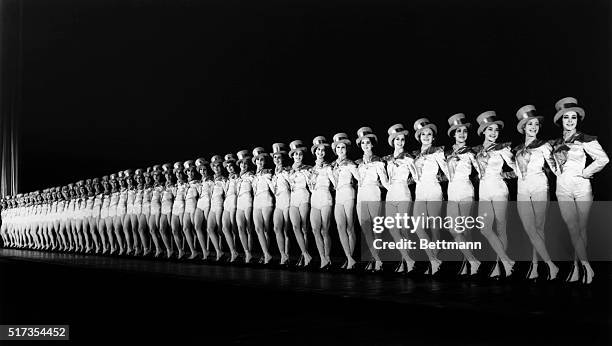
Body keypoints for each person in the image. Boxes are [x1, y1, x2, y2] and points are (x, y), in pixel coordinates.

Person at [551, 97, 609, 284]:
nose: (570, 121)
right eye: (566, 118)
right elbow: (553, 166)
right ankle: (587, 268)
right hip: (562, 189)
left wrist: (585, 173)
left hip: (582, 188)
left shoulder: (585, 139)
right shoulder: (555, 143)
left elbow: (603, 159)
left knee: (581, 229)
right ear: (560, 120)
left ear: (577, 120)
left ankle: (577, 269)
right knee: (572, 228)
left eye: (573, 118)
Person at [513, 105, 559, 281]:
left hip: (540, 188)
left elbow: (555, 167)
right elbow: (517, 172)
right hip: (522, 190)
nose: (533, 127)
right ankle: (550, 265)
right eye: (529, 124)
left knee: (538, 229)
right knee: (530, 229)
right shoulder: (516, 149)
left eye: (536, 124)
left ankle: (535, 266)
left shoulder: (544, 145)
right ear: (523, 127)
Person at [474, 111, 519, 279]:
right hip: (484, 191)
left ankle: (501, 267)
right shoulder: (476, 151)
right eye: (489, 129)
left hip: (499, 190)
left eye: (496, 130)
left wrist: (506, 176)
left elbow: (516, 167)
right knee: (484, 228)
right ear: (483, 131)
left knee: (501, 227)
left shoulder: (503, 148)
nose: (493, 133)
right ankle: (507, 261)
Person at [445, 114, 481, 277]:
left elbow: (480, 171)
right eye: (458, 131)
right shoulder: (445, 153)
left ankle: (469, 265)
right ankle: (472, 260)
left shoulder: (471, 152)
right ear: (453, 133)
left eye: (464, 131)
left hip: (466, 190)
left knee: (466, 230)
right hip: (452, 192)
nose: (461, 134)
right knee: (454, 229)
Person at [355, 127, 389, 272]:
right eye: (363, 143)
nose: (365, 146)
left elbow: (385, 182)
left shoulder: (378, 161)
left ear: (372, 144)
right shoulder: (358, 163)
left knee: (376, 229)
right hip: (361, 196)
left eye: (368, 143)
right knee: (366, 230)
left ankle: (379, 260)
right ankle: (374, 258)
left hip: (374, 194)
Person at [331, 133, 359, 270]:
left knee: (350, 227)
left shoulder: (351, 164)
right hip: (338, 196)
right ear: (335, 150)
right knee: (340, 227)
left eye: (343, 147)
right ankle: (349, 258)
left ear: (346, 149)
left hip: (348, 193)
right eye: (338, 148)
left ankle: (350, 259)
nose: (341, 150)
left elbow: (360, 179)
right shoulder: (332, 165)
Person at [309, 136, 337, 269]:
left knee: (325, 230)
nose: (320, 153)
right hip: (314, 199)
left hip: (326, 197)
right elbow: (310, 188)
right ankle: (323, 258)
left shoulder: (329, 167)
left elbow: (335, 184)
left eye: (323, 150)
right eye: (318, 150)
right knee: (315, 229)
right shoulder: (311, 170)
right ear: (315, 152)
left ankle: (328, 257)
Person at [288, 140, 314, 267]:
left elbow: (312, 184)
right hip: (293, 199)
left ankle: (304, 256)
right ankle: (305, 254)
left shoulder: (308, 169)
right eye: (295, 154)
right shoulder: (287, 170)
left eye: (300, 154)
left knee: (304, 228)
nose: (298, 156)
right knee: (295, 227)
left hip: (304, 196)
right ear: (292, 155)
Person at [251, 147, 275, 264]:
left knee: (266, 229)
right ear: (254, 162)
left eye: (262, 160)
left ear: (264, 161)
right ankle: (266, 254)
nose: (260, 162)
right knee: (258, 228)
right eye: (257, 160)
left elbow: (273, 188)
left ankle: (266, 255)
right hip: (256, 202)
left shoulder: (268, 172)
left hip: (266, 200)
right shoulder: (253, 176)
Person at [271, 143, 292, 266]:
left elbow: (292, 184)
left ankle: (287, 256)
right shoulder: (274, 172)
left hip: (287, 200)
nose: (277, 160)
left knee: (286, 230)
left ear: (283, 158)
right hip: (278, 202)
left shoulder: (287, 170)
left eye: (279, 157)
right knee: (276, 228)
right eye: (275, 157)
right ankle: (283, 255)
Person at [235, 151, 256, 263]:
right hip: (239, 203)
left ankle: (250, 253)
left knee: (249, 228)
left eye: (245, 163)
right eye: (241, 163)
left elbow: (256, 189)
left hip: (248, 201)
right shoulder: (237, 177)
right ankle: (246, 252)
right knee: (240, 228)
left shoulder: (252, 176)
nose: (243, 165)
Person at [221, 154, 240, 262]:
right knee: (224, 228)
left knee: (233, 227)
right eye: (227, 166)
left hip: (234, 201)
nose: (229, 168)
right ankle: (233, 251)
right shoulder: (227, 179)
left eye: (231, 165)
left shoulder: (238, 176)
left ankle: (238, 252)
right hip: (226, 202)